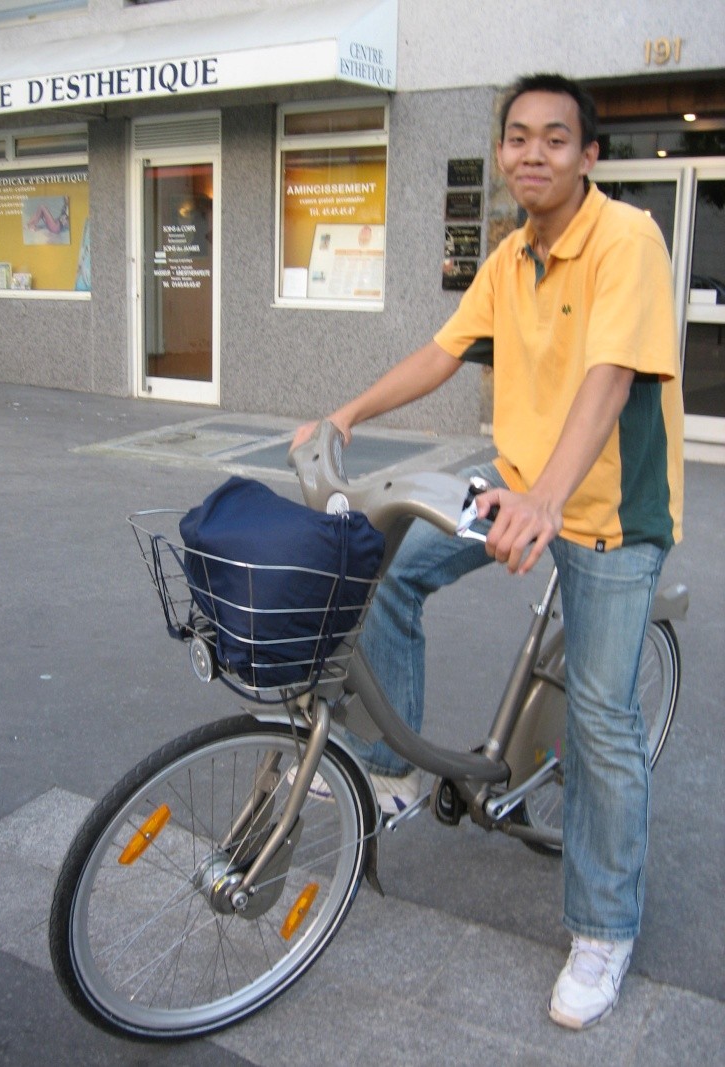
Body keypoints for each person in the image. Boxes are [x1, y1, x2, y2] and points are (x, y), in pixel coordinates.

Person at [292, 72, 684, 1031]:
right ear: (503, 152)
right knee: (392, 565)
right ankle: (392, 768)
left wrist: (550, 498)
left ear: (589, 156)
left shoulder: (625, 238)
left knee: (599, 721)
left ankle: (604, 928)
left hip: (608, 514)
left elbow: (611, 374)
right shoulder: (512, 255)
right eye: (518, 137)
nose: (533, 153)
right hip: (514, 489)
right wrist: (347, 411)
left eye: (557, 138)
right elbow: (442, 350)